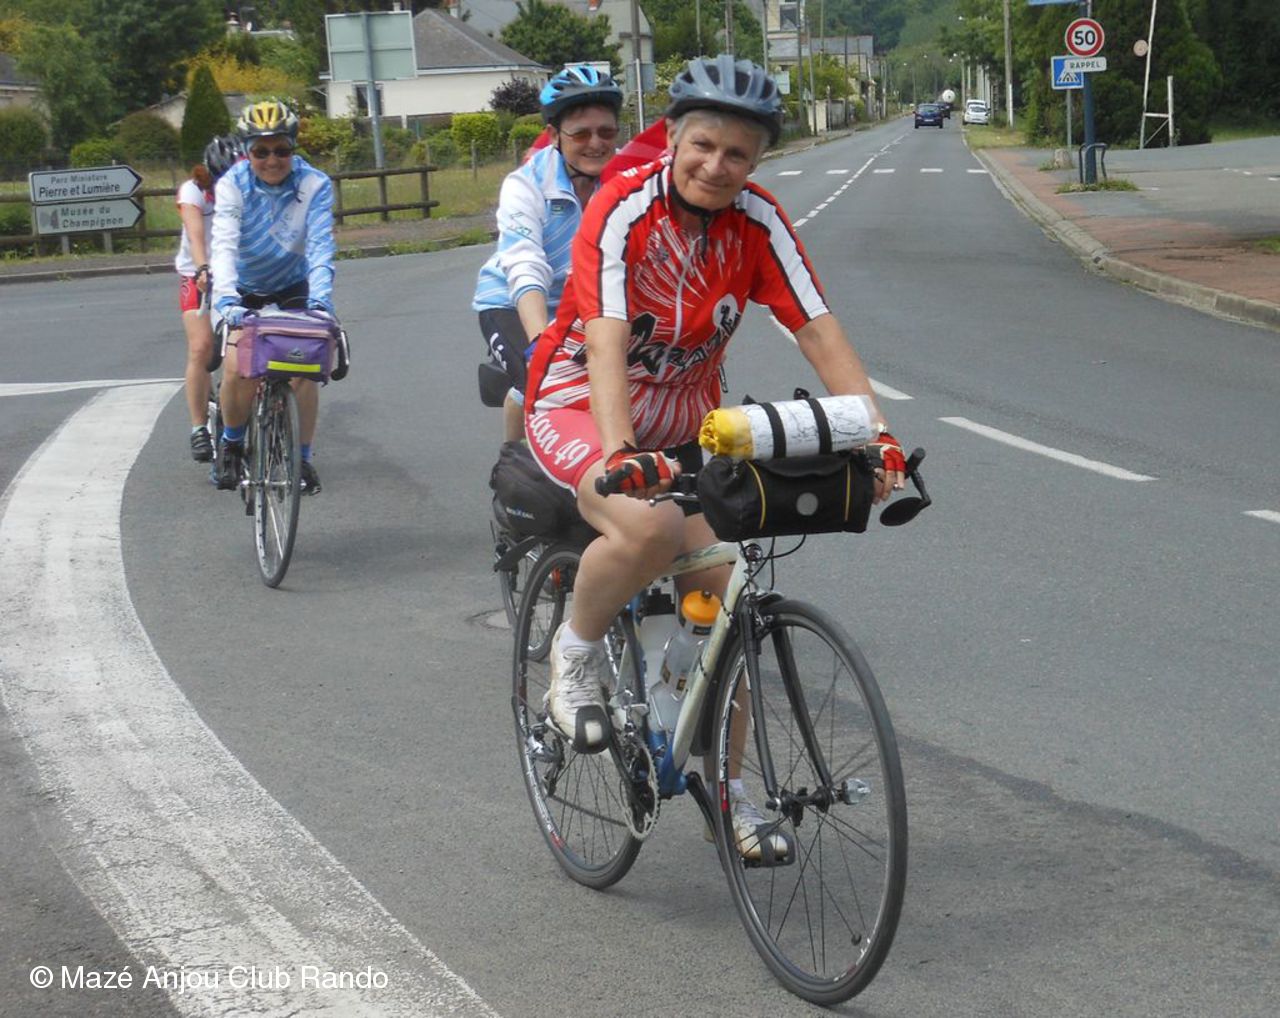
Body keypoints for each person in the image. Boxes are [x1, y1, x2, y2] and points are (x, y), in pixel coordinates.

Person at [522, 55, 910, 858]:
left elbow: (816, 328)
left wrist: (878, 435)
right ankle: (575, 652)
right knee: (648, 527)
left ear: (758, 160)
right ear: (671, 137)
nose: (716, 165)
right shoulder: (623, 209)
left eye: (738, 153)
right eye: (702, 144)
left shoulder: (758, 223)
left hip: (688, 423)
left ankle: (730, 792)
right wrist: (622, 452)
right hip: (580, 403)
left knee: (725, 596)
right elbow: (606, 340)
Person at [472, 65, 623, 442]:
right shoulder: (525, 185)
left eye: (606, 132)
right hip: (511, 302)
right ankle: (512, 463)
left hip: (586, 304)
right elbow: (525, 263)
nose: (596, 143)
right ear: (554, 135)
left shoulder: (625, 181)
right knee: (539, 381)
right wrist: (542, 342)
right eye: (581, 133)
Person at [210, 100, 336, 495]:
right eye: (260, 152)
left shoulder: (314, 184)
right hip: (242, 290)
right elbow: (223, 245)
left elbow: (320, 248)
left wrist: (321, 304)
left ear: (293, 148)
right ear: (247, 153)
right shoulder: (232, 185)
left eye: (281, 150)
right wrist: (226, 300)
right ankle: (232, 443)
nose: (271, 160)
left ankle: (302, 459)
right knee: (237, 367)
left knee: (306, 368)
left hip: (293, 287)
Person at [176, 134, 241, 462]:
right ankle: (199, 427)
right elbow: (196, 235)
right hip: (198, 275)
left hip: (237, 273)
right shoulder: (194, 191)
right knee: (201, 347)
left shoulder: (248, 187)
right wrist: (203, 267)